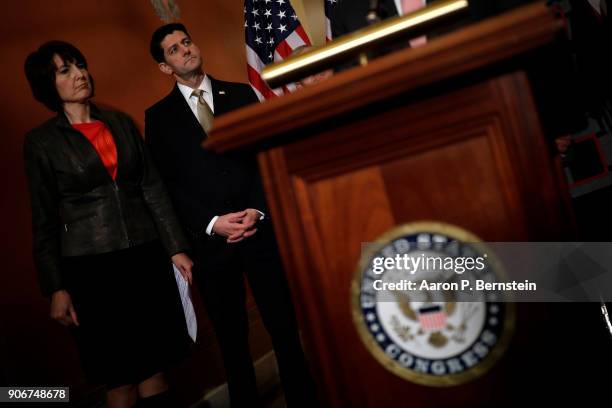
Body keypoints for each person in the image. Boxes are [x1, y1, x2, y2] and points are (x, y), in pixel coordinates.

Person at [145, 23, 317, 407]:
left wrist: (257, 210)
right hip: (211, 244)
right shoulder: (158, 118)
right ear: (165, 66)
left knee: (284, 326)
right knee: (232, 339)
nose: (185, 50)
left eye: (186, 41)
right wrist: (212, 223)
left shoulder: (241, 94)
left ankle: (305, 399)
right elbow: (167, 184)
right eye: (173, 50)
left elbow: (263, 157)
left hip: (259, 232)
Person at [23, 41, 194, 408]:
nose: (80, 74)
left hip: (145, 257)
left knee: (156, 369)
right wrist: (55, 287)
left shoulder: (119, 122)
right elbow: (44, 218)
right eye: (65, 70)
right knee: (120, 380)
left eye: (80, 64)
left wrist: (176, 248)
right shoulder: (41, 143)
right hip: (92, 271)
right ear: (47, 85)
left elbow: (153, 188)